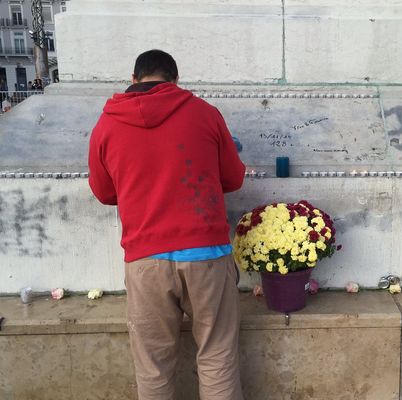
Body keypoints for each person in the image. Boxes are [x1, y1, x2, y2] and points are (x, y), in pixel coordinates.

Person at [88, 49, 246, 400]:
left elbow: (103, 192)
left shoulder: (106, 125)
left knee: (153, 367)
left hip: (145, 260)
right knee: (217, 356)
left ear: (133, 80)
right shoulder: (205, 114)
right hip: (208, 255)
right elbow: (233, 179)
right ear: (175, 80)